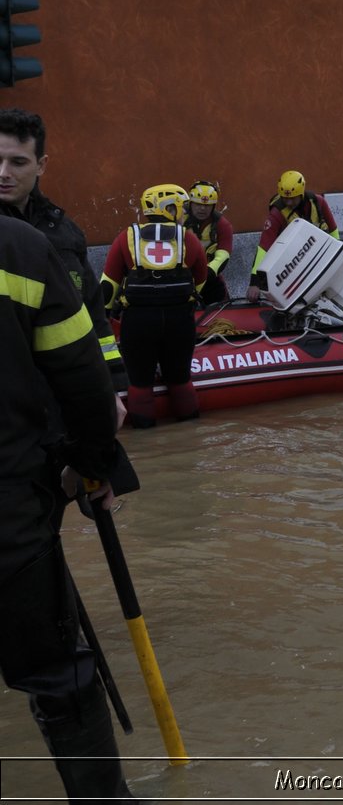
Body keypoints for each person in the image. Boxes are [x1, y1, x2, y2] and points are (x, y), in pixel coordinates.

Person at [0, 215, 138, 802]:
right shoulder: (19, 249)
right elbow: (84, 384)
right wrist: (93, 463)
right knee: (57, 673)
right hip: (9, 517)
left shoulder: (48, 234)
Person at [0, 109, 126, 393]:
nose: (3, 174)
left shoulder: (64, 232)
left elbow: (92, 313)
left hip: (66, 396)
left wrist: (113, 381)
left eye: (17, 162)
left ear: (41, 165)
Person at [101, 185, 209, 428]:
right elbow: (201, 279)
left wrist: (105, 316)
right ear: (170, 208)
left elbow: (108, 283)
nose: (183, 213)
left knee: (139, 382)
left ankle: (144, 436)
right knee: (180, 379)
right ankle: (192, 434)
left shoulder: (126, 238)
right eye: (180, 207)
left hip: (138, 321)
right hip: (179, 320)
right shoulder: (187, 238)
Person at [248, 170, 339, 301]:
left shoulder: (318, 202)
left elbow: (333, 230)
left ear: (301, 194)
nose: (288, 202)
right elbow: (263, 248)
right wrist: (255, 282)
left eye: (292, 198)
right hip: (293, 265)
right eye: (285, 198)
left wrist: (336, 255)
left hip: (319, 257)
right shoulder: (276, 214)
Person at [184, 180, 234, 306]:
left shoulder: (222, 225)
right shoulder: (179, 219)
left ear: (213, 206)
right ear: (190, 203)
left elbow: (224, 254)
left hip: (210, 278)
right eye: (198, 204)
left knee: (222, 317)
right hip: (182, 278)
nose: (202, 208)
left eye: (207, 205)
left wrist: (208, 272)